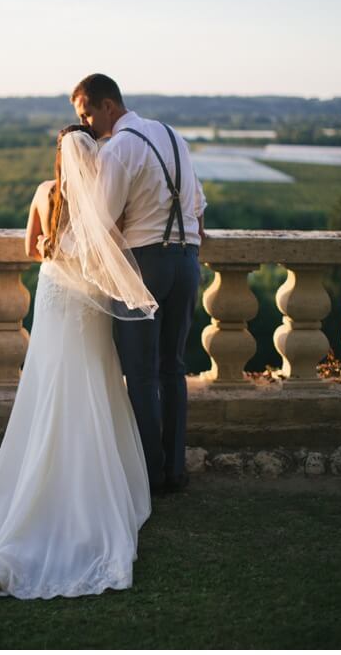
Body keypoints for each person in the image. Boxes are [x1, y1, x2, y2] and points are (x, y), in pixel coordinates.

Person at [0, 124, 157, 600]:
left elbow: (31, 248)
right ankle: (95, 494)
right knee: (94, 379)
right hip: (87, 299)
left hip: (52, 290)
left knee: (48, 382)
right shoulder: (106, 202)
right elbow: (113, 254)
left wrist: (54, 248)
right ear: (94, 158)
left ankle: (34, 490)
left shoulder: (44, 192)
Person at [72, 73, 207, 494]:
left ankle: (149, 475)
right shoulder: (173, 136)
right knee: (174, 368)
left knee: (142, 374)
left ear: (107, 105)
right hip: (187, 261)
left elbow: (100, 222)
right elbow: (199, 208)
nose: (87, 124)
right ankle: (175, 470)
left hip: (145, 264)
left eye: (87, 113)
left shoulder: (119, 148)